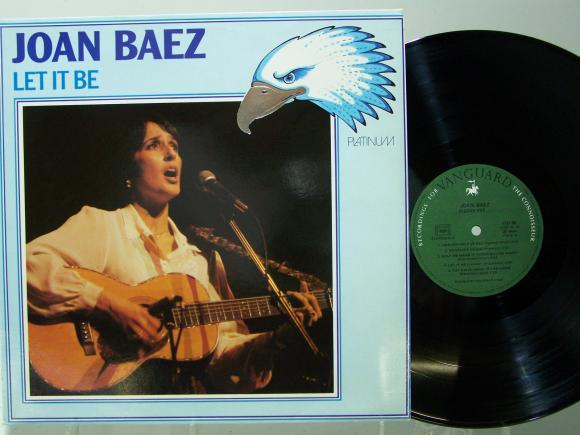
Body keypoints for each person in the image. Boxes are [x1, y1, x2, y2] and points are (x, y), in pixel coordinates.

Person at [26, 115, 322, 394]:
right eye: (154, 145)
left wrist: (277, 339)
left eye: (175, 147)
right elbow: (25, 266)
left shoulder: (196, 261)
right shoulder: (104, 226)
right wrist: (108, 305)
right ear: (129, 169)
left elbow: (222, 360)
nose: (170, 155)